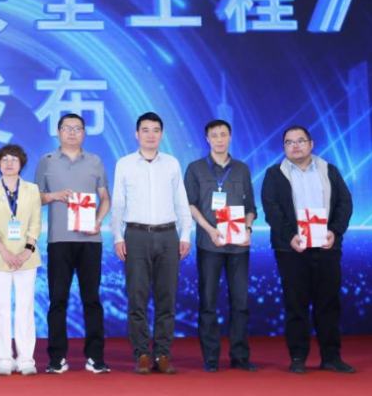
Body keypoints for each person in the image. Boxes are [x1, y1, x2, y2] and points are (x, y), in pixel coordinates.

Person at [262, 126, 355, 374]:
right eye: (289, 142)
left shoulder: (328, 170)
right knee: (296, 305)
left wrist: (335, 231)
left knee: (329, 304)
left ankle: (331, 357)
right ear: (284, 147)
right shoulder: (274, 174)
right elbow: (271, 209)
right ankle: (297, 357)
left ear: (311, 144)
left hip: (326, 247)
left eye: (300, 141)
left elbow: (345, 202)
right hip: (291, 249)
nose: (295, 146)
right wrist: (290, 236)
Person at [110, 112, 193, 375]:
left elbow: (181, 201)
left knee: (166, 297)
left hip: (168, 235)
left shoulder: (171, 164)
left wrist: (185, 235)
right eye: (145, 130)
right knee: (137, 298)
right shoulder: (124, 164)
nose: (150, 135)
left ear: (161, 134)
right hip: (136, 235)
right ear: (137, 134)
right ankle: (142, 354)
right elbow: (118, 203)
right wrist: (117, 236)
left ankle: (163, 353)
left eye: (156, 130)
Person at [34, 112, 111, 375]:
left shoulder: (95, 161)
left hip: (90, 240)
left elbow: (105, 198)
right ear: (58, 132)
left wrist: (98, 221)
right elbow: (35, 197)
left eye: (77, 128)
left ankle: (95, 357)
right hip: (59, 240)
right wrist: (54, 196)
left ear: (84, 133)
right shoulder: (46, 161)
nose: (72, 132)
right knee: (58, 300)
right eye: (67, 128)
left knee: (92, 300)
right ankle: (57, 358)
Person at [184, 119, 258, 372]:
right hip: (210, 244)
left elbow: (251, 208)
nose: (219, 139)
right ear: (207, 139)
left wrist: (248, 229)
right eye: (214, 135)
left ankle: (240, 356)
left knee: (240, 303)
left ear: (230, 137)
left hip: (239, 246)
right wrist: (210, 229)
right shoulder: (195, 168)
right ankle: (211, 358)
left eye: (223, 134)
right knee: (208, 303)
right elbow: (190, 205)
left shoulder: (242, 169)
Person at [0, 144, 41, 376]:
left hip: (27, 257)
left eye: (14, 159)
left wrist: (26, 251)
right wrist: (5, 252)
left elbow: (35, 224)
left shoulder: (32, 190)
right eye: (4, 159)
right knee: (1, 308)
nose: (9, 163)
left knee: (25, 308)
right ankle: (4, 359)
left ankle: (26, 358)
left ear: (21, 164)